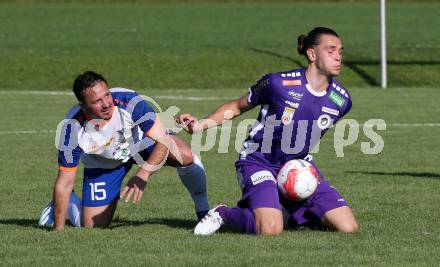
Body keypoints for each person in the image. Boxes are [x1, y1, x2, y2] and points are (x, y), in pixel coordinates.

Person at [176, 27, 359, 235]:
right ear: (312, 54)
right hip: (258, 162)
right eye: (331, 50)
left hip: (298, 166)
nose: (338, 57)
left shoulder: (342, 100)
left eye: (340, 51)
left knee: (347, 227)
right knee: (271, 229)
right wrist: (200, 125)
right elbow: (237, 106)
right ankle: (225, 213)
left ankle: (286, 212)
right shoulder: (277, 84)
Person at [39, 71, 210, 230]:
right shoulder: (72, 128)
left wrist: (144, 174)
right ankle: (68, 203)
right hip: (105, 165)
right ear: (83, 106)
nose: (106, 103)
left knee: (186, 156)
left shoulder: (129, 101)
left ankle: (204, 214)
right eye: (97, 101)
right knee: (93, 227)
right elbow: (65, 182)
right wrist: (58, 231)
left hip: (140, 144)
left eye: (107, 95)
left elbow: (164, 139)